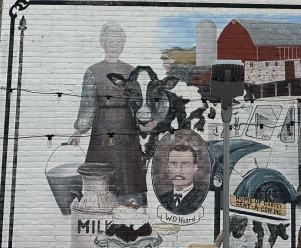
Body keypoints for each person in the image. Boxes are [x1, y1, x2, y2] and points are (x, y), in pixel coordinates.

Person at [68, 22, 151, 205]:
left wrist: (146, 122)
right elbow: (87, 105)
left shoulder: (132, 72)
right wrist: (79, 131)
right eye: (110, 42)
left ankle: (131, 207)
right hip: (102, 130)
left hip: (126, 130)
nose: (114, 46)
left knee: (128, 172)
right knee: (101, 171)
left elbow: (139, 103)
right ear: (102, 43)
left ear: (123, 44)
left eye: (118, 42)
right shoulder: (92, 72)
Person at [156, 142, 206, 214]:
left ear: (195, 168)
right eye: (173, 164)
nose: (178, 171)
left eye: (185, 164)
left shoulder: (202, 199)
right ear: (168, 167)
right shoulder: (161, 199)